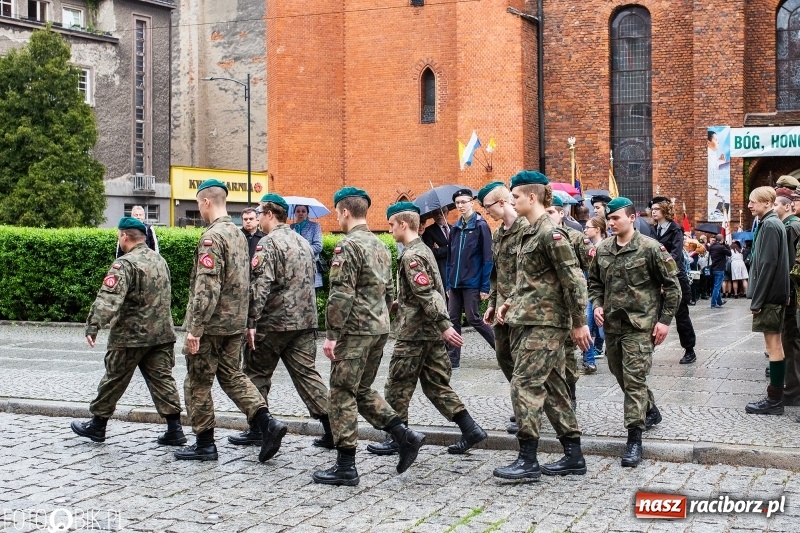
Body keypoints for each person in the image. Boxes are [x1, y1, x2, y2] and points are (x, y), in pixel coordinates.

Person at [313, 187, 425, 486]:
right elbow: (390, 290)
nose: (338, 216)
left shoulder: (347, 246)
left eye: (337, 212)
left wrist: (332, 334)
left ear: (345, 212)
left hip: (356, 330)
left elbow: (341, 293)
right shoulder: (380, 243)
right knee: (362, 389)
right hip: (378, 328)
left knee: (341, 393)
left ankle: (346, 466)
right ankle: (405, 435)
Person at [176, 179, 287, 462]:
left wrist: (195, 328)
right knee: (233, 376)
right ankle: (267, 423)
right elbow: (249, 281)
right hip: (234, 324)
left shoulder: (211, 237)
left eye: (199, 205)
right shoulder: (240, 235)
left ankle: (204, 443)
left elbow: (207, 286)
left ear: (205, 203)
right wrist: (247, 320)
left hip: (212, 324)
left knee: (197, 382)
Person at [368, 201, 487, 457]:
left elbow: (427, 293)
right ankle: (470, 429)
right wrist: (403, 301)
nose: (389, 230)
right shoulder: (422, 249)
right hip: (428, 332)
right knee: (436, 386)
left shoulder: (411, 255)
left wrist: (445, 325)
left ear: (403, 224)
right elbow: (426, 288)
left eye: (391, 225)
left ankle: (399, 438)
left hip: (414, 333)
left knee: (397, 385)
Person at [494, 170, 591, 481]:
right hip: (530, 318)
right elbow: (531, 280)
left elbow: (573, 280)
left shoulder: (552, 234)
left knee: (524, 385)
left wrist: (579, 323)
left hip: (546, 324)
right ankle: (573, 456)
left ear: (532, 197)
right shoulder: (529, 232)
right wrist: (511, 301)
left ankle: (528, 459)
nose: (512, 200)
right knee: (554, 388)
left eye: (516, 196)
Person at [228, 193, 334, 449]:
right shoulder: (303, 242)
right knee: (307, 376)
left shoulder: (268, 243)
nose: (259, 219)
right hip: (305, 322)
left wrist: (251, 321)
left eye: (260, 214)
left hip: (273, 323)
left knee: (256, 373)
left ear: (269, 215)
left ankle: (258, 428)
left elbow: (261, 285)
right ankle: (334, 430)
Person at [71, 217, 185, 446]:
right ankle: (175, 429)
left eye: (119, 236)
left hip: (130, 336)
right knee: (163, 381)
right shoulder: (160, 260)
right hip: (161, 334)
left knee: (114, 379)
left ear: (124, 236)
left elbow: (109, 298)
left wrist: (93, 325)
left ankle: (97, 425)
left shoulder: (124, 264)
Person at [587, 197, 681, 467]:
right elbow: (594, 283)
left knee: (634, 379)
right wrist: (597, 305)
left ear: (631, 217)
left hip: (640, 326)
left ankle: (634, 440)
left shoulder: (651, 248)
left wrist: (664, 321)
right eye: (609, 219)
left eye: (616, 218)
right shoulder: (603, 250)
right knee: (622, 377)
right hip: (612, 327)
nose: (611, 222)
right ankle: (650, 409)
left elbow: (673, 287)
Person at [478, 181, 529, 434]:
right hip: (502, 311)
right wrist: (493, 304)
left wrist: (510, 302)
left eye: (488, 208)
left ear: (501, 202)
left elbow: (528, 274)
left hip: (523, 308)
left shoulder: (526, 229)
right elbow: (497, 275)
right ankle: (525, 404)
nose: (487, 213)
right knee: (504, 357)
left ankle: (528, 411)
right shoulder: (498, 234)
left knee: (523, 363)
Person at [745, 186, 791, 415]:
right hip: (774, 295)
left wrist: (758, 300)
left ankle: (774, 401)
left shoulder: (771, 225)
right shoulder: (771, 223)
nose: (749, 205)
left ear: (766, 203)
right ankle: (776, 398)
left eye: (753, 202)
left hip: (770, 296)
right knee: (775, 346)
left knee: (773, 346)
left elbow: (768, 265)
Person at [545, 196, 593, 404]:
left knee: (568, 354)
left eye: (551, 213)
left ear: (561, 213)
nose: (547, 217)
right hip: (544, 305)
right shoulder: (537, 235)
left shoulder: (575, 237)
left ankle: (570, 396)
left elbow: (592, 267)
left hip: (568, 304)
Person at [444, 189, 495, 368]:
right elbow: (450, 259)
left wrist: (484, 286)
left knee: (474, 318)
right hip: (455, 283)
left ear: (472, 202)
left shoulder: (481, 225)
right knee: (453, 320)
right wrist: (448, 284)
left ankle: (502, 350)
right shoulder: (455, 228)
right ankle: (453, 359)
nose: (461, 206)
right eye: (458, 203)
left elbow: (488, 258)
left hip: (472, 282)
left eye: (464, 202)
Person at [649, 197, 697, 364]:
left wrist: (665, 275)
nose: (653, 211)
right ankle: (647, 350)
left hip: (675, 277)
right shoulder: (653, 229)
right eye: (652, 209)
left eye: (656, 208)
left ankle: (689, 350)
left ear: (665, 210)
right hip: (658, 277)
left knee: (681, 315)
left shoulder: (675, 229)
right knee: (654, 315)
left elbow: (676, 255)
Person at [774, 188, 800, 406]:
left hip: (793, 292)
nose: (774, 209)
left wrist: (787, 292)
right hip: (793, 292)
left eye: (776, 205)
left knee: (791, 341)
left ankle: (793, 391)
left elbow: (790, 265)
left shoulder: (791, 227)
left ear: (787, 205)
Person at [582, 215, 608, 371]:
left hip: (602, 294)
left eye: (588, 227)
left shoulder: (604, 247)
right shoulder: (589, 247)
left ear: (597, 229)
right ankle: (589, 360)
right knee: (587, 326)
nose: (585, 230)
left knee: (602, 331)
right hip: (591, 293)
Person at [290, 205, 324, 290]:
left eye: (303, 211)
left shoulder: (315, 226)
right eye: (298, 211)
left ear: (307, 213)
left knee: (311, 301)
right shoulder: (290, 227)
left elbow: (318, 247)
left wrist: (300, 250)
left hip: (311, 268)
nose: (300, 213)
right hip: (294, 270)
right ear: (294, 213)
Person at [421, 207, 450, 287]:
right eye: (436, 213)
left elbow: (460, 249)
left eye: (442, 212)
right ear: (432, 215)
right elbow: (431, 253)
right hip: (442, 270)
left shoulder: (454, 229)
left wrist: (440, 249)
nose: (439, 215)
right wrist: (450, 247)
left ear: (447, 212)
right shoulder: (428, 231)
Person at [708, 233, 731, 308]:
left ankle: (719, 302)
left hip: (713, 268)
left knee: (715, 286)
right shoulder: (721, 247)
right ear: (722, 240)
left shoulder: (712, 247)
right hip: (720, 268)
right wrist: (726, 245)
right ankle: (713, 303)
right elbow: (729, 253)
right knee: (717, 287)